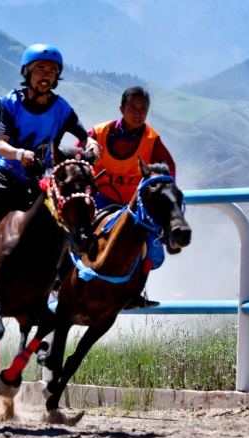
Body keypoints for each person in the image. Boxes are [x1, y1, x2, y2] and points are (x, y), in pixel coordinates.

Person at [0, 44, 101, 308]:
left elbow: (84, 135)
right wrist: (20, 154)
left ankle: (58, 288)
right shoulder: (11, 103)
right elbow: (1, 144)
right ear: (27, 71)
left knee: (66, 225)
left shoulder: (62, 108)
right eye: (40, 68)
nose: (46, 74)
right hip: (4, 174)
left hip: (39, 182)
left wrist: (92, 143)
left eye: (52, 71)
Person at [74, 85, 176, 309]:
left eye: (143, 109)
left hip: (135, 206)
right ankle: (62, 280)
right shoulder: (98, 133)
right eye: (133, 108)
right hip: (99, 198)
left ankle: (136, 291)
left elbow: (169, 169)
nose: (138, 113)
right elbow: (75, 156)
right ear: (122, 108)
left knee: (152, 242)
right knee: (75, 230)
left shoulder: (152, 140)